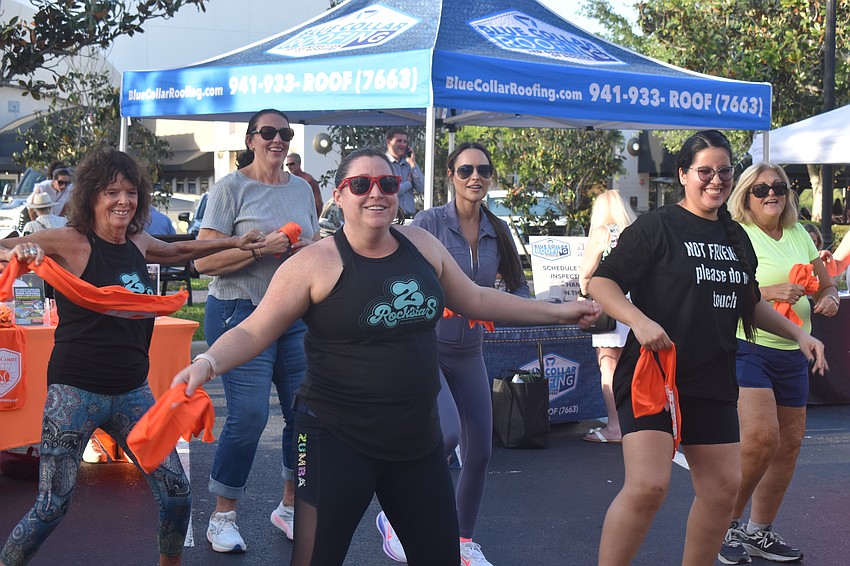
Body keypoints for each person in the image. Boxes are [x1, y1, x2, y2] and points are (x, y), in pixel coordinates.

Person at [171, 147, 600, 566]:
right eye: (361, 184)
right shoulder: (315, 263)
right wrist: (206, 364)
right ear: (339, 196)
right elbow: (252, 329)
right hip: (332, 439)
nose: (375, 192)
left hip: (415, 439)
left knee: (440, 556)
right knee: (316, 557)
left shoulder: (422, 246)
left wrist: (560, 311)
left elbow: (477, 300)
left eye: (387, 183)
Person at [0, 148, 263, 566]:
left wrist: (236, 241)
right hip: (74, 393)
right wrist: (26, 252)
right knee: (52, 506)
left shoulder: (138, 242)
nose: (123, 201)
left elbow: (177, 251)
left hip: (132, 393)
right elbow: (6, 247)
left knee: (177, 493)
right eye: (111, 192)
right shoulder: (72, 241)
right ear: (91, 198)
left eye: (130, 192)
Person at [588, 130, 827, 566]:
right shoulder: (657, 227)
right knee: (649, 486)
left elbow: (749, 303)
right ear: (683, 174)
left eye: (723, 172)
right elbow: (601, 281)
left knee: (721, 489)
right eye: (704, 172)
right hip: (652, 374)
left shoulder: (736, 237)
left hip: (712, 373)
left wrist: (800, 335)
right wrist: (639, 321)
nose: (715, 181)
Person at [377, 141, 528, 566]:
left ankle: (461, 541)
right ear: (450, 176)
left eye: (482, 170)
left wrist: (499, 303)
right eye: (465, 171)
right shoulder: (429, 223)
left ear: (491, 177)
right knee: (444, 434)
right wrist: (437, 301)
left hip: (471, 353)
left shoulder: (497, 229)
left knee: (480, 450)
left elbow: (518, 287)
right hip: (429, 349)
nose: (474, 177)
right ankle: (394, 516)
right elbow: (397, 276)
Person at [195, 108, 320, 553]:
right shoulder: (231, 188)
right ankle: (222, 515)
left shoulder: (303, 189)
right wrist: (258, 251)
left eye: (285, 133)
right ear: (250, 139)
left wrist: (309, 250)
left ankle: (289, 507)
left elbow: (314, 245)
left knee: (305, 415)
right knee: (249, 415)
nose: (278, 140)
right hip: (239, 311)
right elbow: (204, 261)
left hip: (293, 316)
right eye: (268, 132)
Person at [718, 163, 839, 564]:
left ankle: (759, 532)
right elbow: (724, 291)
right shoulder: (736, 234)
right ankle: (726, 524)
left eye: (780, 187)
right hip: (748, 346)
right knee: (759, 441)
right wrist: (769, 291)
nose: (772, 194)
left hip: (793, 353)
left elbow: (826, 282)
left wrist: (830, 298)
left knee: (788, 447)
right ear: (746, 195)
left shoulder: (798, 234)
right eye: (761, 188)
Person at [578, 190, 636, 445]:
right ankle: (635, 424)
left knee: (608, 367)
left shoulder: (602, 233)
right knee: (634, 369)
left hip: (610, 308)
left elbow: (586, 274)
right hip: (636, 309)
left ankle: (615, 426)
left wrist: (583, 290)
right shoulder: (635, 232)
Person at [385, 126, 424, 218]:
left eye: (405, 142)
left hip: (410, 217)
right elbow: (391, 191)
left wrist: (413, 164)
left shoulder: (408, 164)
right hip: (392, 219)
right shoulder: (383, 164)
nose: (403, 145)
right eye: (399, 141)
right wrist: (409, 183)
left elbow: (422, 188)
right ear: (388, 142)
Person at [285, 152, 324, 218]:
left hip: (305, 218)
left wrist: (314, 221)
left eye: (292, 164)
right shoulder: (287, 180)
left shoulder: (309, 180)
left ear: (299, 163)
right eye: (287, 165)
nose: (289, 167)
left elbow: (318, 203)